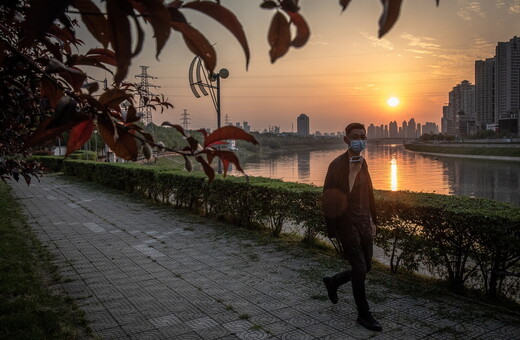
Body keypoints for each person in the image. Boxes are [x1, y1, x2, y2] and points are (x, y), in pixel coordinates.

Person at [322, 122, 382, 332]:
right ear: (346, 139)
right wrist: (333, 230)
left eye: (363, 137)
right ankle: (363, 314)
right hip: (347, 224)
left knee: (367, 266)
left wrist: (374, 220)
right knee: (359, 269)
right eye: (356, 136)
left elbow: (370, 193)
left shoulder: (363, 163)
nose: (360, 140)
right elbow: (329, 199)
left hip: (364, 222)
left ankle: (334, 281)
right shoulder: (337, 165)